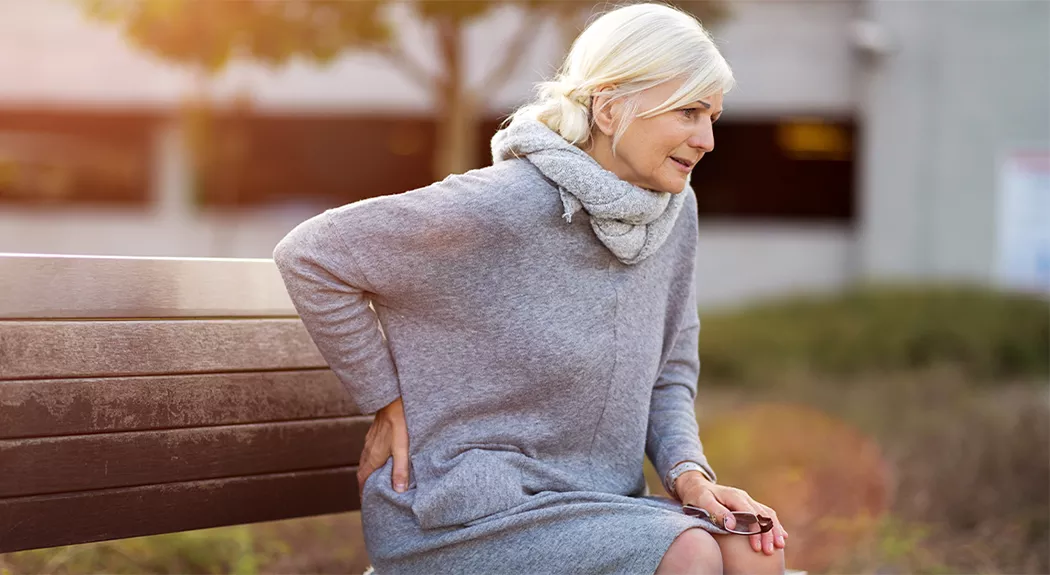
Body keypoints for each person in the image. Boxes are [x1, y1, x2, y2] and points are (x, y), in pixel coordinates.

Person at [273, 3, 787, 574]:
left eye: (712, 115)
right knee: (688, 552)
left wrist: (691, 477)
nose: (708, 140)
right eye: (689, 112)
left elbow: (668, 371)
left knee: (753, 545)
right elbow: (311, 255)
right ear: (613, 109)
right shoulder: (503, 202)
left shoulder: (673, 214)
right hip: (462, 513)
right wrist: (388, 402)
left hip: (598, 504)